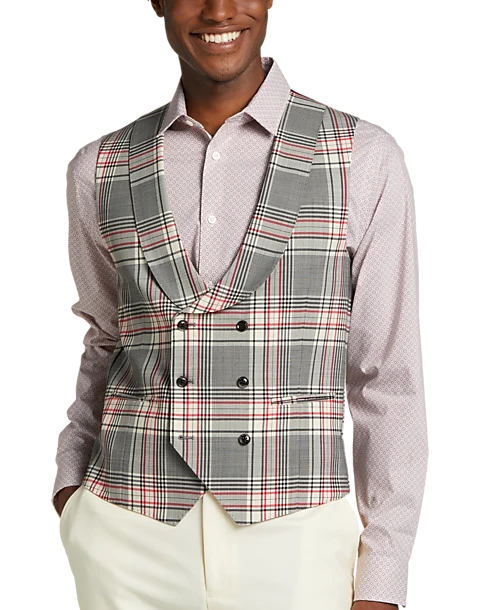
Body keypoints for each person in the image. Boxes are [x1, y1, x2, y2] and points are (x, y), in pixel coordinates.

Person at [53, 1, 429, 609]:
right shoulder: (100, 166)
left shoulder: (361, 156)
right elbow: (103, 339)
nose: (219, 9)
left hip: (297, 538)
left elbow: (387, 376)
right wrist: (71, 489)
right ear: (157, 3)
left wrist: (383, 575)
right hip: (128, 530)